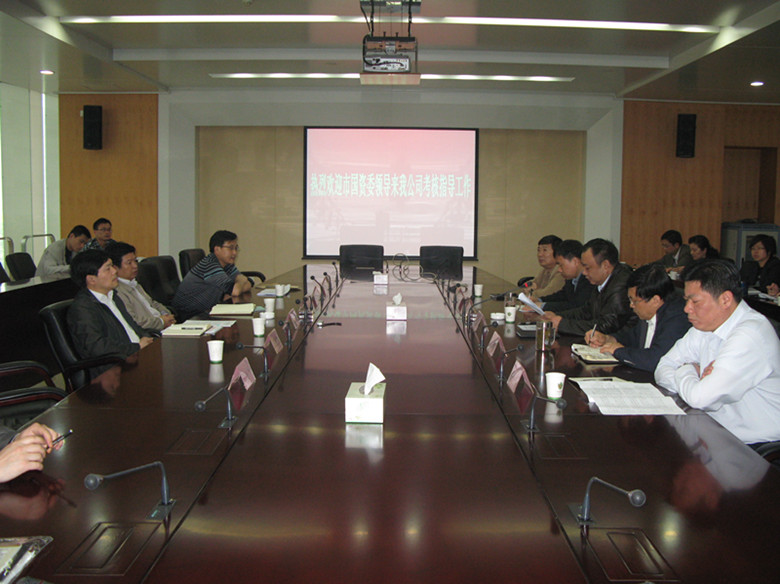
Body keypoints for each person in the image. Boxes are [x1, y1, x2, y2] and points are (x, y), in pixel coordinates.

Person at [655, 259, 780, 445]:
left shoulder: (750, 334)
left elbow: (700, 398)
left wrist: (685, 369)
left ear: (725, 299)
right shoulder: (704, 326)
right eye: (686, 300)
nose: (687, 308)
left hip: (753, 444)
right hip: (714, 429)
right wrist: (695, 377)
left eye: (695, 301)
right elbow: (662, 368)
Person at [586, 263, 690, 372]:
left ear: (655, 300)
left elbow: (655, 360)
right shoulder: (649, 313)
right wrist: (607, 339)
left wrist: (618, 351)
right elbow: (632, 337)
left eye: (634, 301)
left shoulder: (677, 318)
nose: (631, 305)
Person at [68, 249, 154, 379]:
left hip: (136, 357)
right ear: (91, 279)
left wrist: (146, 338)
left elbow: (132, 327)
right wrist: (135, 347)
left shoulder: (113, 296)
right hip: (114, 370)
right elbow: (96, 346)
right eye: (108, 269)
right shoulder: (83, 308)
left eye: (112, 266)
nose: (114, 271)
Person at [543, 238, 636, 336]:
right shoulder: (602, 281)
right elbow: (586, 311)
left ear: (605, 266)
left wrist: (562, 324)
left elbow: (606, 326)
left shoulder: (621, 286)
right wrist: (557, 316)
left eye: (587, 268)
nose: (584, 272)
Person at [172, 230, 253, 320]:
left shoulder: (227, 264)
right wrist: (241, 280)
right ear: (217, 249)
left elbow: (249, 284)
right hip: (189, 316)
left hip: (207, 310)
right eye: (230, 248)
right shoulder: (210, 265)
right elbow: (236, 291)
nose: (234, 252)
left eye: (236, 248)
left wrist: (239, 283)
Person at [106, 241, 176, 331]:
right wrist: (161, 322)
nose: (135, 266)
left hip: (163, 325)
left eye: (135, 261)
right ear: (115, 267)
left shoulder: (134, 283)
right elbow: (135, 322)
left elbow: (153, 303)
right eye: (129, 263)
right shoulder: (117, 291)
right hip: (151, 331)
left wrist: (166, 314)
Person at [532, 239, 594, 313]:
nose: (559, 270)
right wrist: (539, 300)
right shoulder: (571, 279)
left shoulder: (588, 280)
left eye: (561, 265)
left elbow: (576, 306)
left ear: (575, 262)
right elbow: (562, 295)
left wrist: (543, 306)